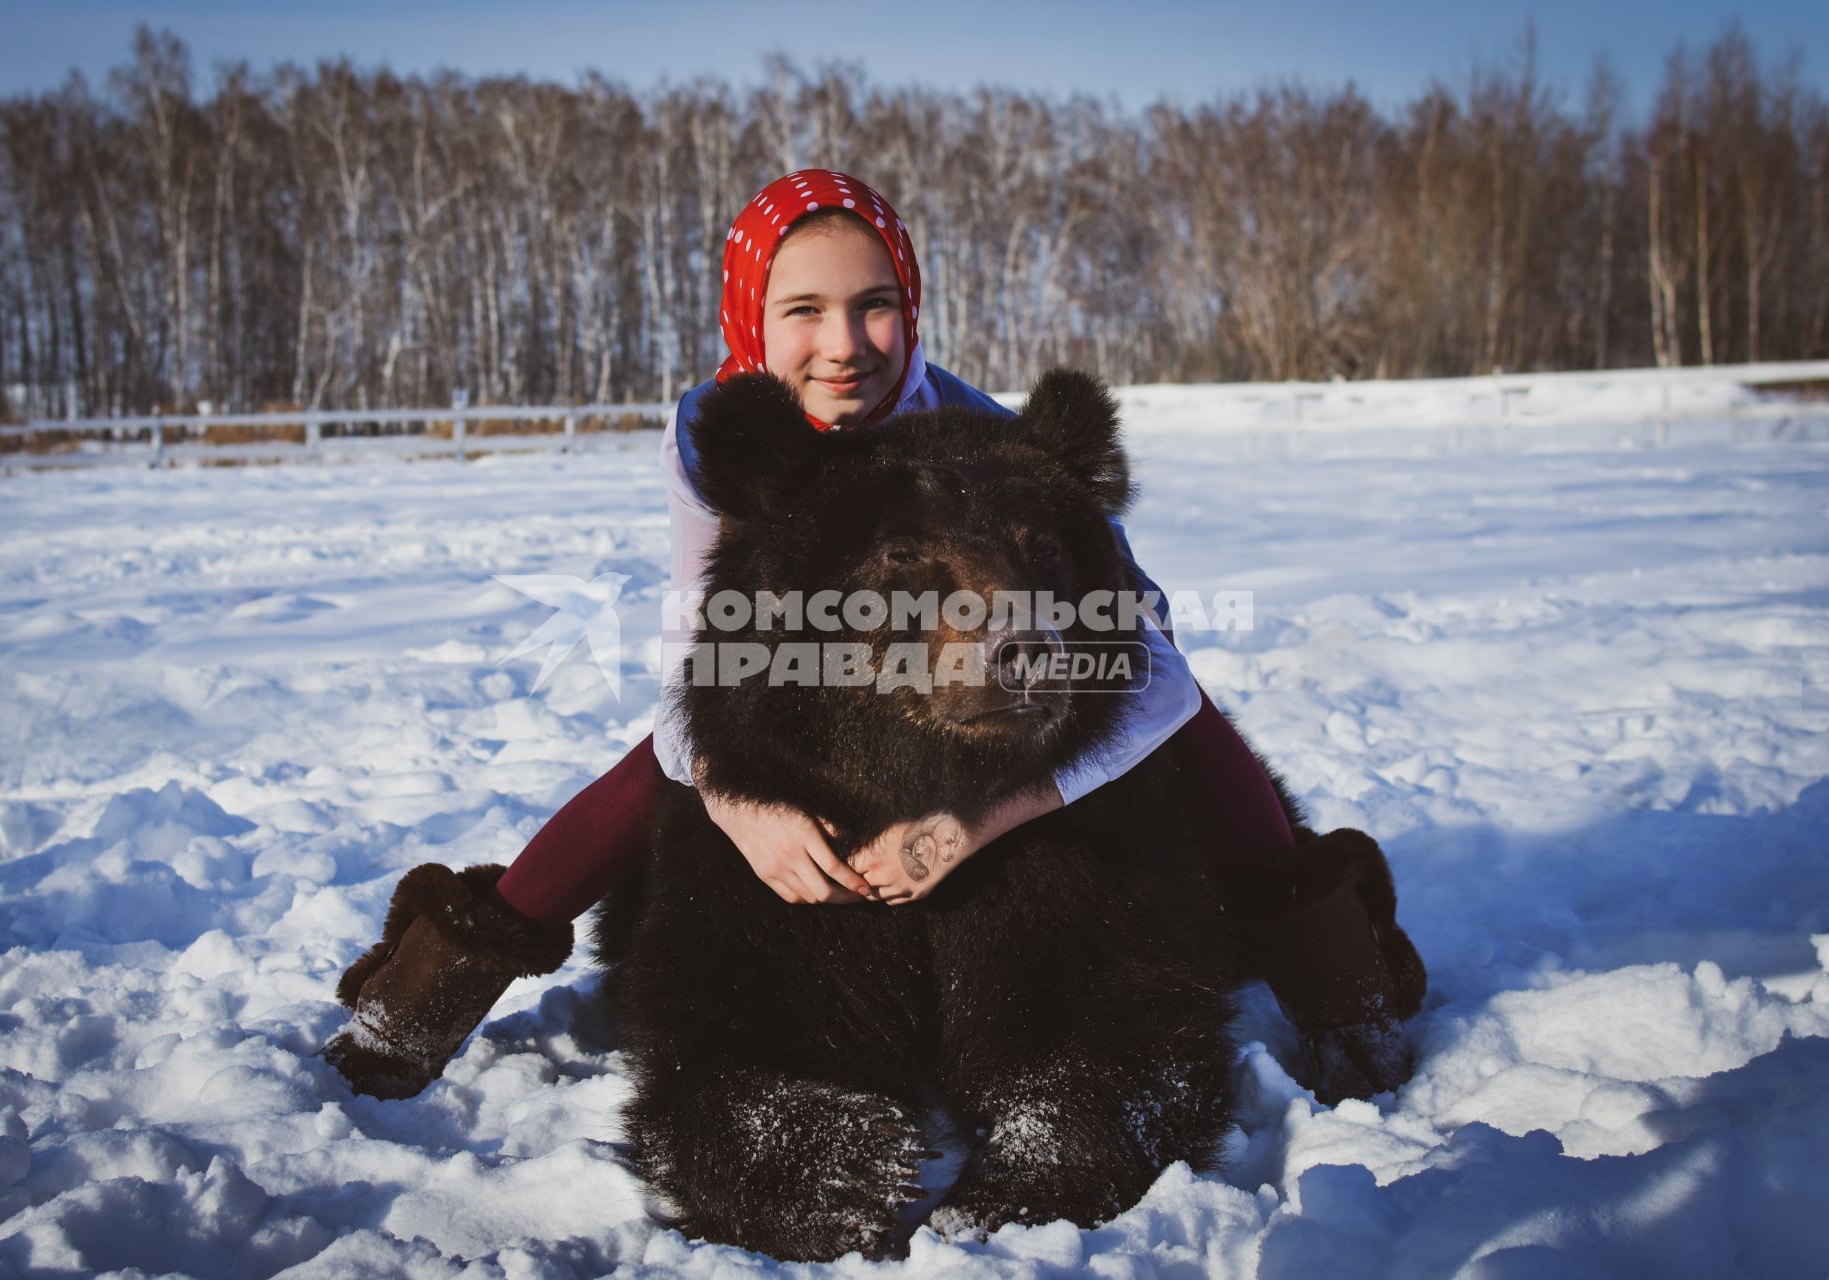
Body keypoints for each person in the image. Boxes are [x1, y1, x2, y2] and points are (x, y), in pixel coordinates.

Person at [320, 171, 1425, 1106]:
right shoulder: (719, 436)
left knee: (1200, 752)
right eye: (802, 309)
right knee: (644, 777)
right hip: (840, 652)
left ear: (916, 307)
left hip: (1056, 652)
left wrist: (965, 823)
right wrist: (738, 796)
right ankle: (416, 1001)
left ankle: (1345, 997)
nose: (843, 344)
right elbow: (709, 651)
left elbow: (1146, 683)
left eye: (876, 304)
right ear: (749, 320)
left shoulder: (983, 446)